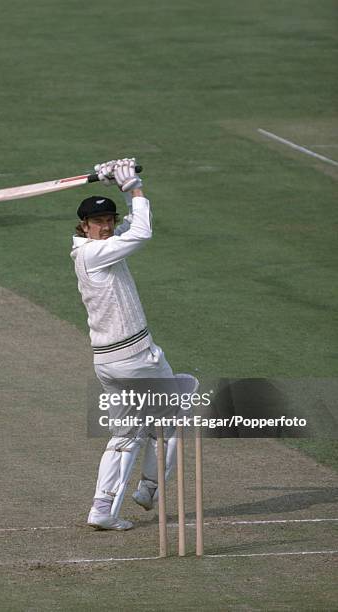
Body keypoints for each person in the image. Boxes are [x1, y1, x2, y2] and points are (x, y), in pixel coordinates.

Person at [70, 158, 197, 530]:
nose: (106, 226)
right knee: (177, 410)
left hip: (109, 362)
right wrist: (133, 189)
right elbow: (141, 233)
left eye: (108, 220)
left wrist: (117, 184)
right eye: (98, 223)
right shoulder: (94, 253)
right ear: (83, 227)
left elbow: (130, 227)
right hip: (137, 357)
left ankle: (102, 509)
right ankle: (150, 488)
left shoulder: (99, 246)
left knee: (126, 433)